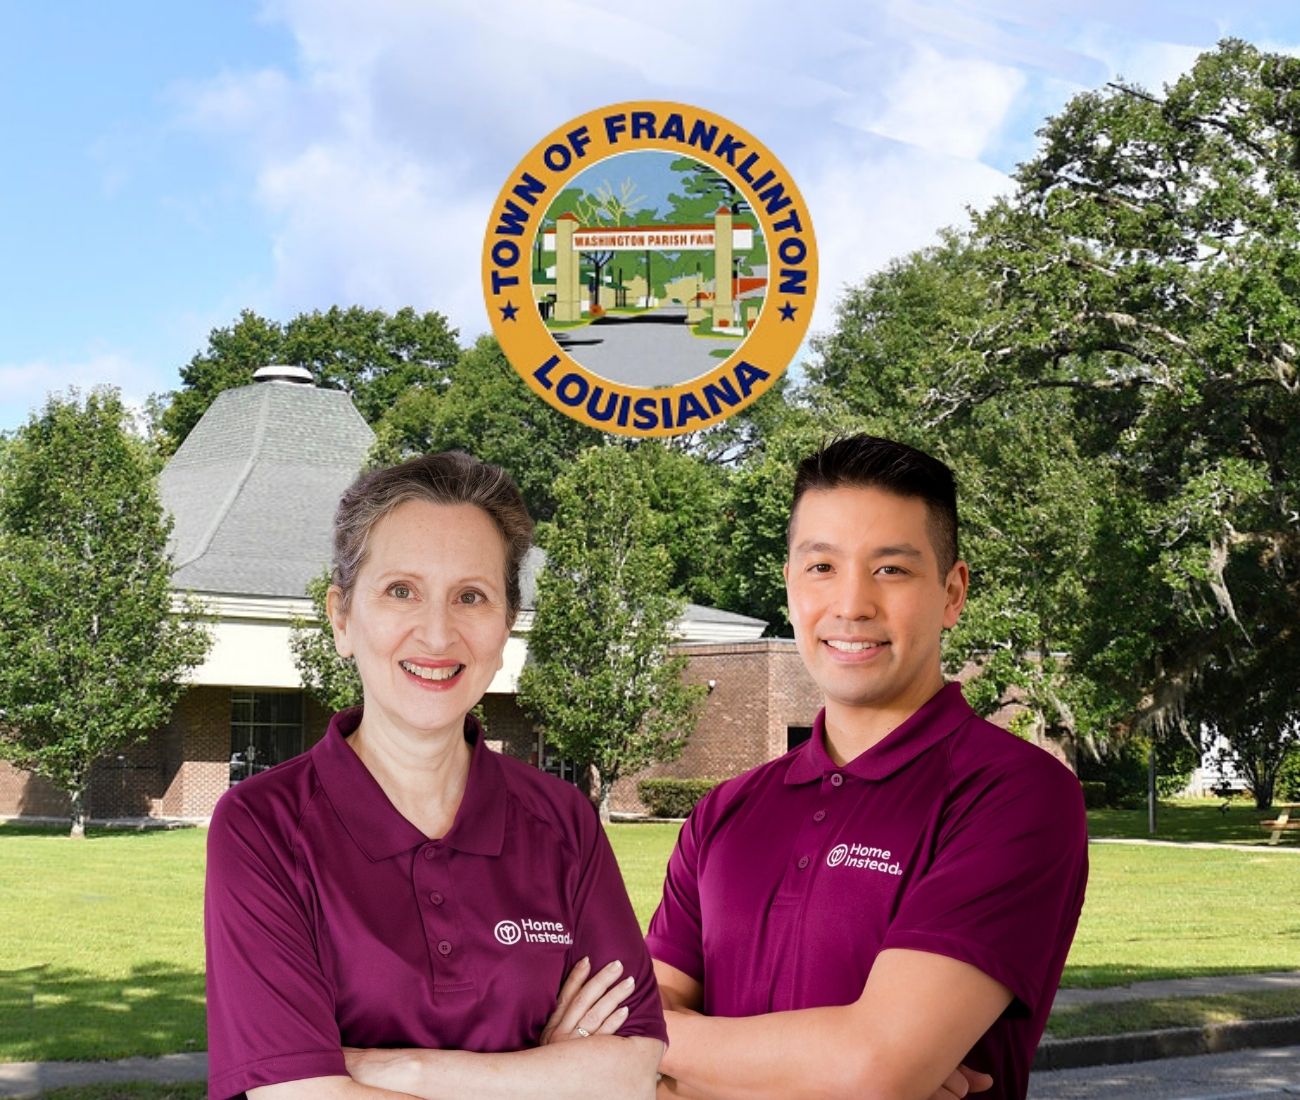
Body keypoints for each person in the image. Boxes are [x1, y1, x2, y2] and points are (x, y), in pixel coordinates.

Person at [205, 452, 665, 1100]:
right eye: (401, 591)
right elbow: (300, 1096)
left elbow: (632, 1073)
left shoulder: (562, 821)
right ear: (341, 617)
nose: (437, 631)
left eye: (471, 597)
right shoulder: (262, 827)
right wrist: (545, 1078)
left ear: (505, 626)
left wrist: (399, 1070)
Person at [645, 435, 1088, 1100]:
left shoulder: (1015, 795)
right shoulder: (724, 814)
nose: (851, 605)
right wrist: (840, 1072)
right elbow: (617, 1043)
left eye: (891, 570)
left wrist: (667, 1062)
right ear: (791, 584)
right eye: (822, 567)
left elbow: (873, 1069)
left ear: (952, 592)